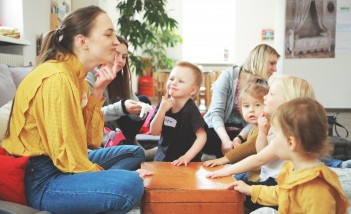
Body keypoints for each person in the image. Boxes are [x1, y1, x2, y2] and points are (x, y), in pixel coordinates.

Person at [2, 6, 151, 214]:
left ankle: (90, 196)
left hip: (62, 164)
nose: (116, 42)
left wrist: (97, 92)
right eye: (108, 34)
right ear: (83, 42)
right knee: (130, 185)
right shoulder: (58, 78)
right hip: (43, 179)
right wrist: (106, 178)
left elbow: (91, 140)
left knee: (134, 152)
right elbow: (68, 157)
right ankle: (91, 196)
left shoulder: (76, 77)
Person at [229, 97, 349, 214]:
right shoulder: (292, 169)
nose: (273, 142)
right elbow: (281, 193)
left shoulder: (317, 189)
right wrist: (251, 190)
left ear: (290, 143)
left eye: (275, 136)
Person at [203, 44, 280, 158]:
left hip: (242, 133)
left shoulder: (264, 85)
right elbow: (216, 113)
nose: (275, 69)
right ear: (260, 60)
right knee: (204, 136)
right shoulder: (229, 76)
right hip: (218, 129)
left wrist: (239, 138)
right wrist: (225, 140)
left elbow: (258, 118)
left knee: (259, 136)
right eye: (272, 63)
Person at [86, 35, 151, 145]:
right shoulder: (89, 77)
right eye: (116, 54)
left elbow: (134, 110)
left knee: (143, 100)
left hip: (117, 131)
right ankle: (129, 149)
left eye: (124, 57)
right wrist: (122, 107)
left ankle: (130, 146)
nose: (120, 61)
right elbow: (89, 117)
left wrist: (141, 109)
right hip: (97, 134)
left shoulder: (120, 78)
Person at [204, 83, 268, 182]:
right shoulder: (254, 128)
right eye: (246, 106)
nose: (251, 110)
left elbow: (249, 146)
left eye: (257, 105)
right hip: (253, 173)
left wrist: (223, 160)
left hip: (262, 178)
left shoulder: (265, 126)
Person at [150, 61, 207, 166]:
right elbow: (154, 131)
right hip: (163, 156)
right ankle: (151, 153)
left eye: (181, 81)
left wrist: (187, 156)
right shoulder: (163, 104)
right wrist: (161, 111)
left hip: (188, 160)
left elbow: (202, 136)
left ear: (193, 90)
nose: (173, 83)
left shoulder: (191, 109)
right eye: (171, 79)